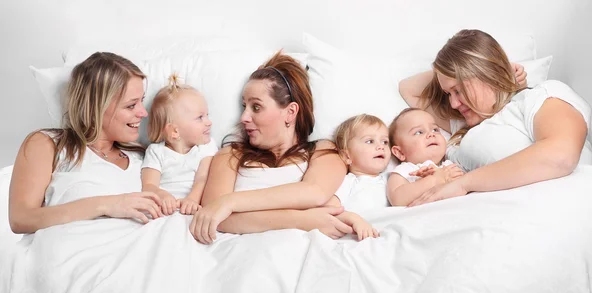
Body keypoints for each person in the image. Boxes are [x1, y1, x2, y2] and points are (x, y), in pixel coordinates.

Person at [398, 29, 592, 207]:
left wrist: (464, 183)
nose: (453, 103)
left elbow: (560, 156)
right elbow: (408, 89)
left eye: (457, 90)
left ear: (484, 73)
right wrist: (448, 68)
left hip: (561, 208)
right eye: (448, 94)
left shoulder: (540, 96)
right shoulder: (464, 125)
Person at [189, 51, 353, 244]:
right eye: (244, 107)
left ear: (290, 112)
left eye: (256, 107)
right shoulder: (229, 155)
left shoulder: (322, 151)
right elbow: (213, 216)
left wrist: (231, 201)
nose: (244, 118)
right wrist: (303, 220)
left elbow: (314, 192)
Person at [9, 52, 162, 234]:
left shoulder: (145, 157)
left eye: (141, 102)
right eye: (131, 105)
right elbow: (21, 219)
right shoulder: (48, 145)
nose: (143, 113)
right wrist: (107, 204)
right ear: (97, 107)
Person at [142, 75, 218, 216]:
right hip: (162, 211)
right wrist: (162, 195)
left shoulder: (206, 147)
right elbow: (149, 185)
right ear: (175, 131)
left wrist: (192, 200)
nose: (209, 122)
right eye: (200, 117)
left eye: (207, 115)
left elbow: (203, 178)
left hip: (192, 208)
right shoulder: (156, 151)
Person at [326, 114, 391, 240]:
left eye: (385, 141)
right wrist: (355, 220)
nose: (380, 146)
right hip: (358, 238)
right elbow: (329, 212)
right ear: (347, 156)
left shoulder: (391, 179)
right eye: (369, 141)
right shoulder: (347, 182)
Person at [387, 107, 464, 206]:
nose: (431, 134)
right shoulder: (406, 170)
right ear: (400, 152)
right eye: (419, 132)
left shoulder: (450, 165)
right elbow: (397, 199)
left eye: (435, 130)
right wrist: (435, 180)